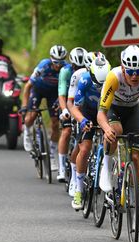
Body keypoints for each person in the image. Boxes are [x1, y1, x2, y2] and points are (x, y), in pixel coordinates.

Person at [97, 45, 139, 231]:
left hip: (132, 111)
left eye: (138, 72)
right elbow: (101, 114)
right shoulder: (113, 77)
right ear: (123, 68)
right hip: (113, 109)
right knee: (115, 130)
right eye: (130, 72)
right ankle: (106, 168)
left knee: (135, 158)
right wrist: (106, 129)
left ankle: (135, 208)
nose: (134, 76)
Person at [70, 56, 111, 209]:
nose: (100, 87)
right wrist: (82, 121)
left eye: (103, 84)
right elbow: (75, 107)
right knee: (85, 149)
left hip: (105, 112)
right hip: (87, 112)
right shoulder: (85, 80)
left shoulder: (113, 79)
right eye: (97, 84)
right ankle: (79, 190)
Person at [21, 44, 69, 171]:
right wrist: (25, 106)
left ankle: (52, 155)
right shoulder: (43, 66)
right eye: (55, 62)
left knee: (55, 123)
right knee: (31, 116)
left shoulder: (66, 68)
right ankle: (27, 132)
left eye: (61, 62)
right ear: (51, 58)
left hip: (54, 93)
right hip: (38, 90)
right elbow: (27, 86)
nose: (58, 65)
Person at [66, 51, 104, 197]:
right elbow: (72, 102)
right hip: (83, 110)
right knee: (83, 147)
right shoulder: (80, 76)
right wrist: (80, 120)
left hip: (102, 111)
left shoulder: (107, 77)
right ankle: (76, 182)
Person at [56, 47, 87, 183]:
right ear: (71, 64)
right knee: (67, 130)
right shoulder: (65, 71)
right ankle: (62, 168)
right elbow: (62, 94)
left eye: (82, 66)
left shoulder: (87, 72)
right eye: (76, 66)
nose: (79, 69)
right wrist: (64, 110)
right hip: (67, 102)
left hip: (81, 103)